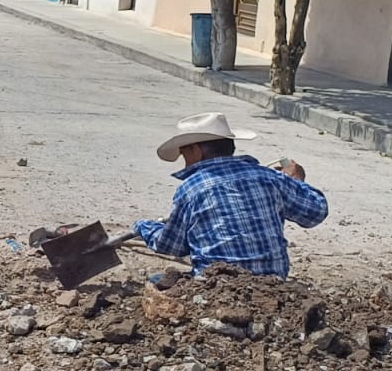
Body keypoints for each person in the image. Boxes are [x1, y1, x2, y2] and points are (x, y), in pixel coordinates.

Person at [134, 112, 328, 280]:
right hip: (273, 284)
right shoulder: (269, 177)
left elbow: (171, 246)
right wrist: (296, 182)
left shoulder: (191, 188)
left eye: (184, 154)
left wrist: (144, 226)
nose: (185, 163)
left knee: (159, 280)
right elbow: (315, 212)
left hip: (219, 287)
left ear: (196, 150)